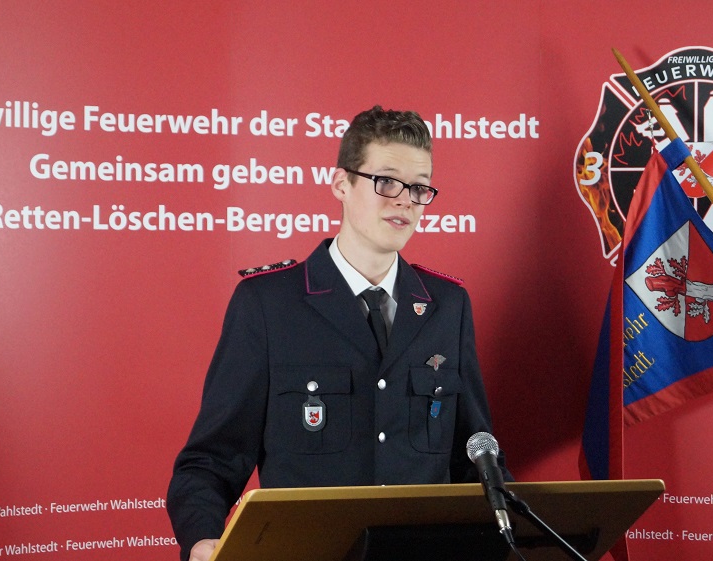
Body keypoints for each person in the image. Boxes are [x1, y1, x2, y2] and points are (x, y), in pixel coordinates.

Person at [167, 105, 507, 561]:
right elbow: (210, 462)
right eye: (386, 181)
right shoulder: (268, 304)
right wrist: (201, 539)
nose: (405, 200)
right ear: (341, 184)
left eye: (419, 187)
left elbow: (477, 458)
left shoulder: (448, 306)